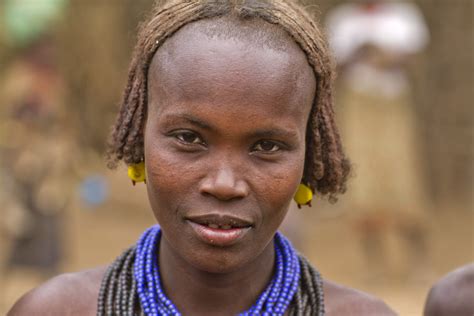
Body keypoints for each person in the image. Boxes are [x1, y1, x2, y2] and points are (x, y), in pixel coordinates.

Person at [8, 1, 396, 315]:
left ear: (310, 155)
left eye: (267, 146)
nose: (224, 183)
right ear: (138, 136)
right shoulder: (57, 310)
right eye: (188, 138)